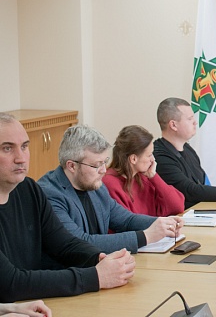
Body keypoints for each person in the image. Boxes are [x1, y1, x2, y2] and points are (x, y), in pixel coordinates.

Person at [0, 113, 135, 302]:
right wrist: (96, 277)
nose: (21, 158)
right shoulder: (46, 189)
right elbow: (9, 283)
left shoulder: (29, 189)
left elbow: (63, 243)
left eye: (24, 147)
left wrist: (99, 259)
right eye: (7, 148)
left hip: (33, 304)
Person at [38, 125, 182, 254]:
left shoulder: (95, 186)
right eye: (97, 165)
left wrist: (162, 223)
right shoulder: (49, 194)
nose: (103, 170)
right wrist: (145, 236)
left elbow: (126, 220)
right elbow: (80, 243)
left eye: (105, 162)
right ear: (72, 166)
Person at [103, 125, 184, 217]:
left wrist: (154, 177)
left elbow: (178, 206)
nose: (153, 159)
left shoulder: (142, 177)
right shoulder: (110, 184)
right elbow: (128, 222)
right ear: (133, 159)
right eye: (149, 155)